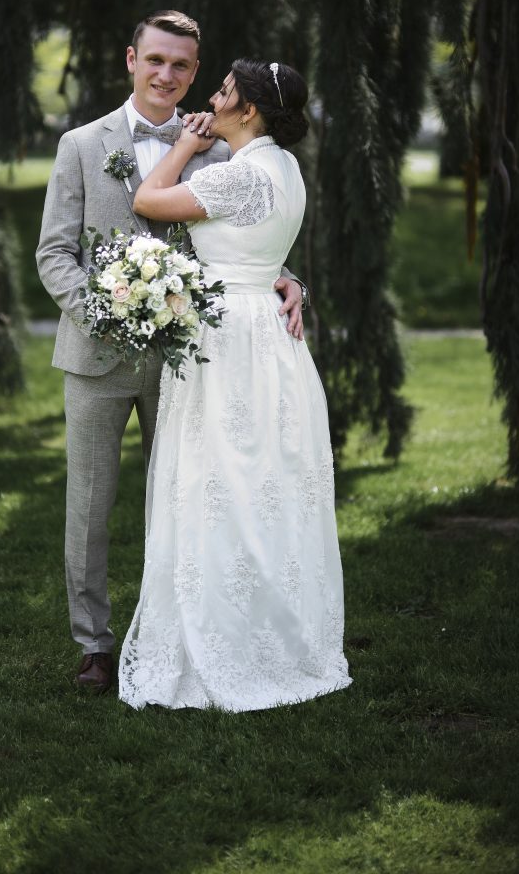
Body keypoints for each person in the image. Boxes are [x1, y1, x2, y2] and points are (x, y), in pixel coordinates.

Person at [36, 12, 305, 694]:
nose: (167, 75)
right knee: (89, 508)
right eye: (154, 60)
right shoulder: (79, 144)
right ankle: (94, 645)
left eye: (182, 66)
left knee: (185, 503)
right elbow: (53, 254)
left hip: (190, 362)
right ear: (131, 59)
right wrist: (105, 313)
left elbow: (249, 237)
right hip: (95, 356)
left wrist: (286, 276)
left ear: (194, 71)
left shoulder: (219, 149)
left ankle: (173, 631)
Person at [119, 58, 351, 711]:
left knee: (216, 481)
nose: (209, 101)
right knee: (264, 487)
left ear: (246, 110)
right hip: (266, 338)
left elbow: (147, 199)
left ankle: (226, 643)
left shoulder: (237, 175)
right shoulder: (284, 167)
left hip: (227, 338)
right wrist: (290, 278)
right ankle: (266, 629)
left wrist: (190, 145)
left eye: (221, 93)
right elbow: (262, 252)